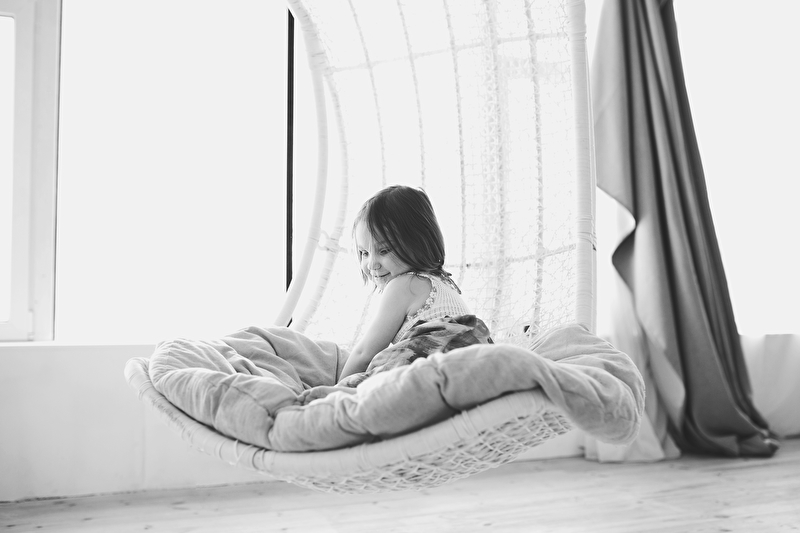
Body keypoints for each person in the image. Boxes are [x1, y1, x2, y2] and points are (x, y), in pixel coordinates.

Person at [338, 185, 471, 380]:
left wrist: (335, 390)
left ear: (418, 243)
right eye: (364, 253)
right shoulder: (442, 283)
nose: (372, 264)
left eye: (384, 251)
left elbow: (365, 354)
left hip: (436, 372)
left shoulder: (404, 285)